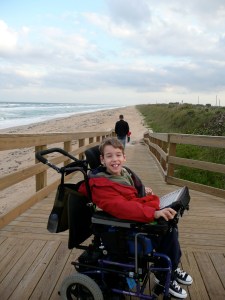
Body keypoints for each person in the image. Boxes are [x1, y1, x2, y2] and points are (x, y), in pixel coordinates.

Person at [79, 137, 193, 299]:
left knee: (170, 221)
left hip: (132, 216)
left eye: (118, 155)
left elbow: (127, 195)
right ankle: (164, 274)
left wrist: (143, 192)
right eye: (109, 156)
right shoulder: (100, 185)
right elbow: (122, 207)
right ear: (102, 160)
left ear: (124, 157)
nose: (115, 160)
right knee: (164, 226)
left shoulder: (123, 174)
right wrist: (153, 213)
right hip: (121, 227)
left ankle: (171, 269)